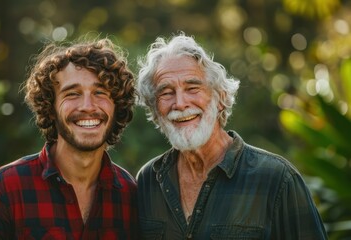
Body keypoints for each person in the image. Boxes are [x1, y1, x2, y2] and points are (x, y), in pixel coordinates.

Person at [136, 33, 327, 239]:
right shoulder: (148, 181)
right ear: (155, 109)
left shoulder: (277, 179)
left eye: (192, 88)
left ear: (221, 98)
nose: (180, 103)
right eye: (166, 93)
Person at [0, 37, 138, 239]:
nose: (88, 105)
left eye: (100, 92)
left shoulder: (130, 195)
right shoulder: (6, 188)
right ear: (50, 108)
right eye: (72, 94)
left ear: (117, 106)